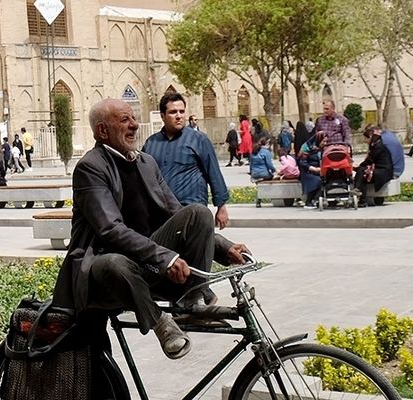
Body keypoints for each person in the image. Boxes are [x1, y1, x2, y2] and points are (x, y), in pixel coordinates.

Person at [52, 98, 250, 361]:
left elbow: (176, 213)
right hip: (102, 273)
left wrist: (225, 248)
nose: (134, 125)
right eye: (124, 120)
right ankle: (161, 323)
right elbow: (110, 230)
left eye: (133, 118)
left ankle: (191, 301)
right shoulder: (91, 167)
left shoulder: (146, 162)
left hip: (145, 266)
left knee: (198, 212)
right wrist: (166, 258)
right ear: (102, 131)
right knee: (115, 262)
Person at [143, 92, 230, 231]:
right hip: (161, 214)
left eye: (182, 111)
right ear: (162, 116)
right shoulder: (151, 143)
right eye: (173, 112)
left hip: (193, 211)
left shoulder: (199, 140)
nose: (179, 116)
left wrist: (221, 207)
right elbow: (143, 178)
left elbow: (213, 173)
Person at [352, 126, 393, 208]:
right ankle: (361, 197)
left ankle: (359, 192)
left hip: (383, 171)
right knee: (362, 172)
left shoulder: (378, 147)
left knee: (362, 171)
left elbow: (370, 160)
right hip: (379, 169)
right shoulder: (376, 145)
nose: (365, 141)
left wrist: (357, 167)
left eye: (366, 138)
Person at [298, 130, 323, 209]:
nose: (325, 143)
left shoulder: (323, 148)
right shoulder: (307, 147)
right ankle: (309, 201)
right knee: (317, 180)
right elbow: (302, 162)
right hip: (307, 171)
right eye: (324, 141)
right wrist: (313, 169)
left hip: (320, 170)